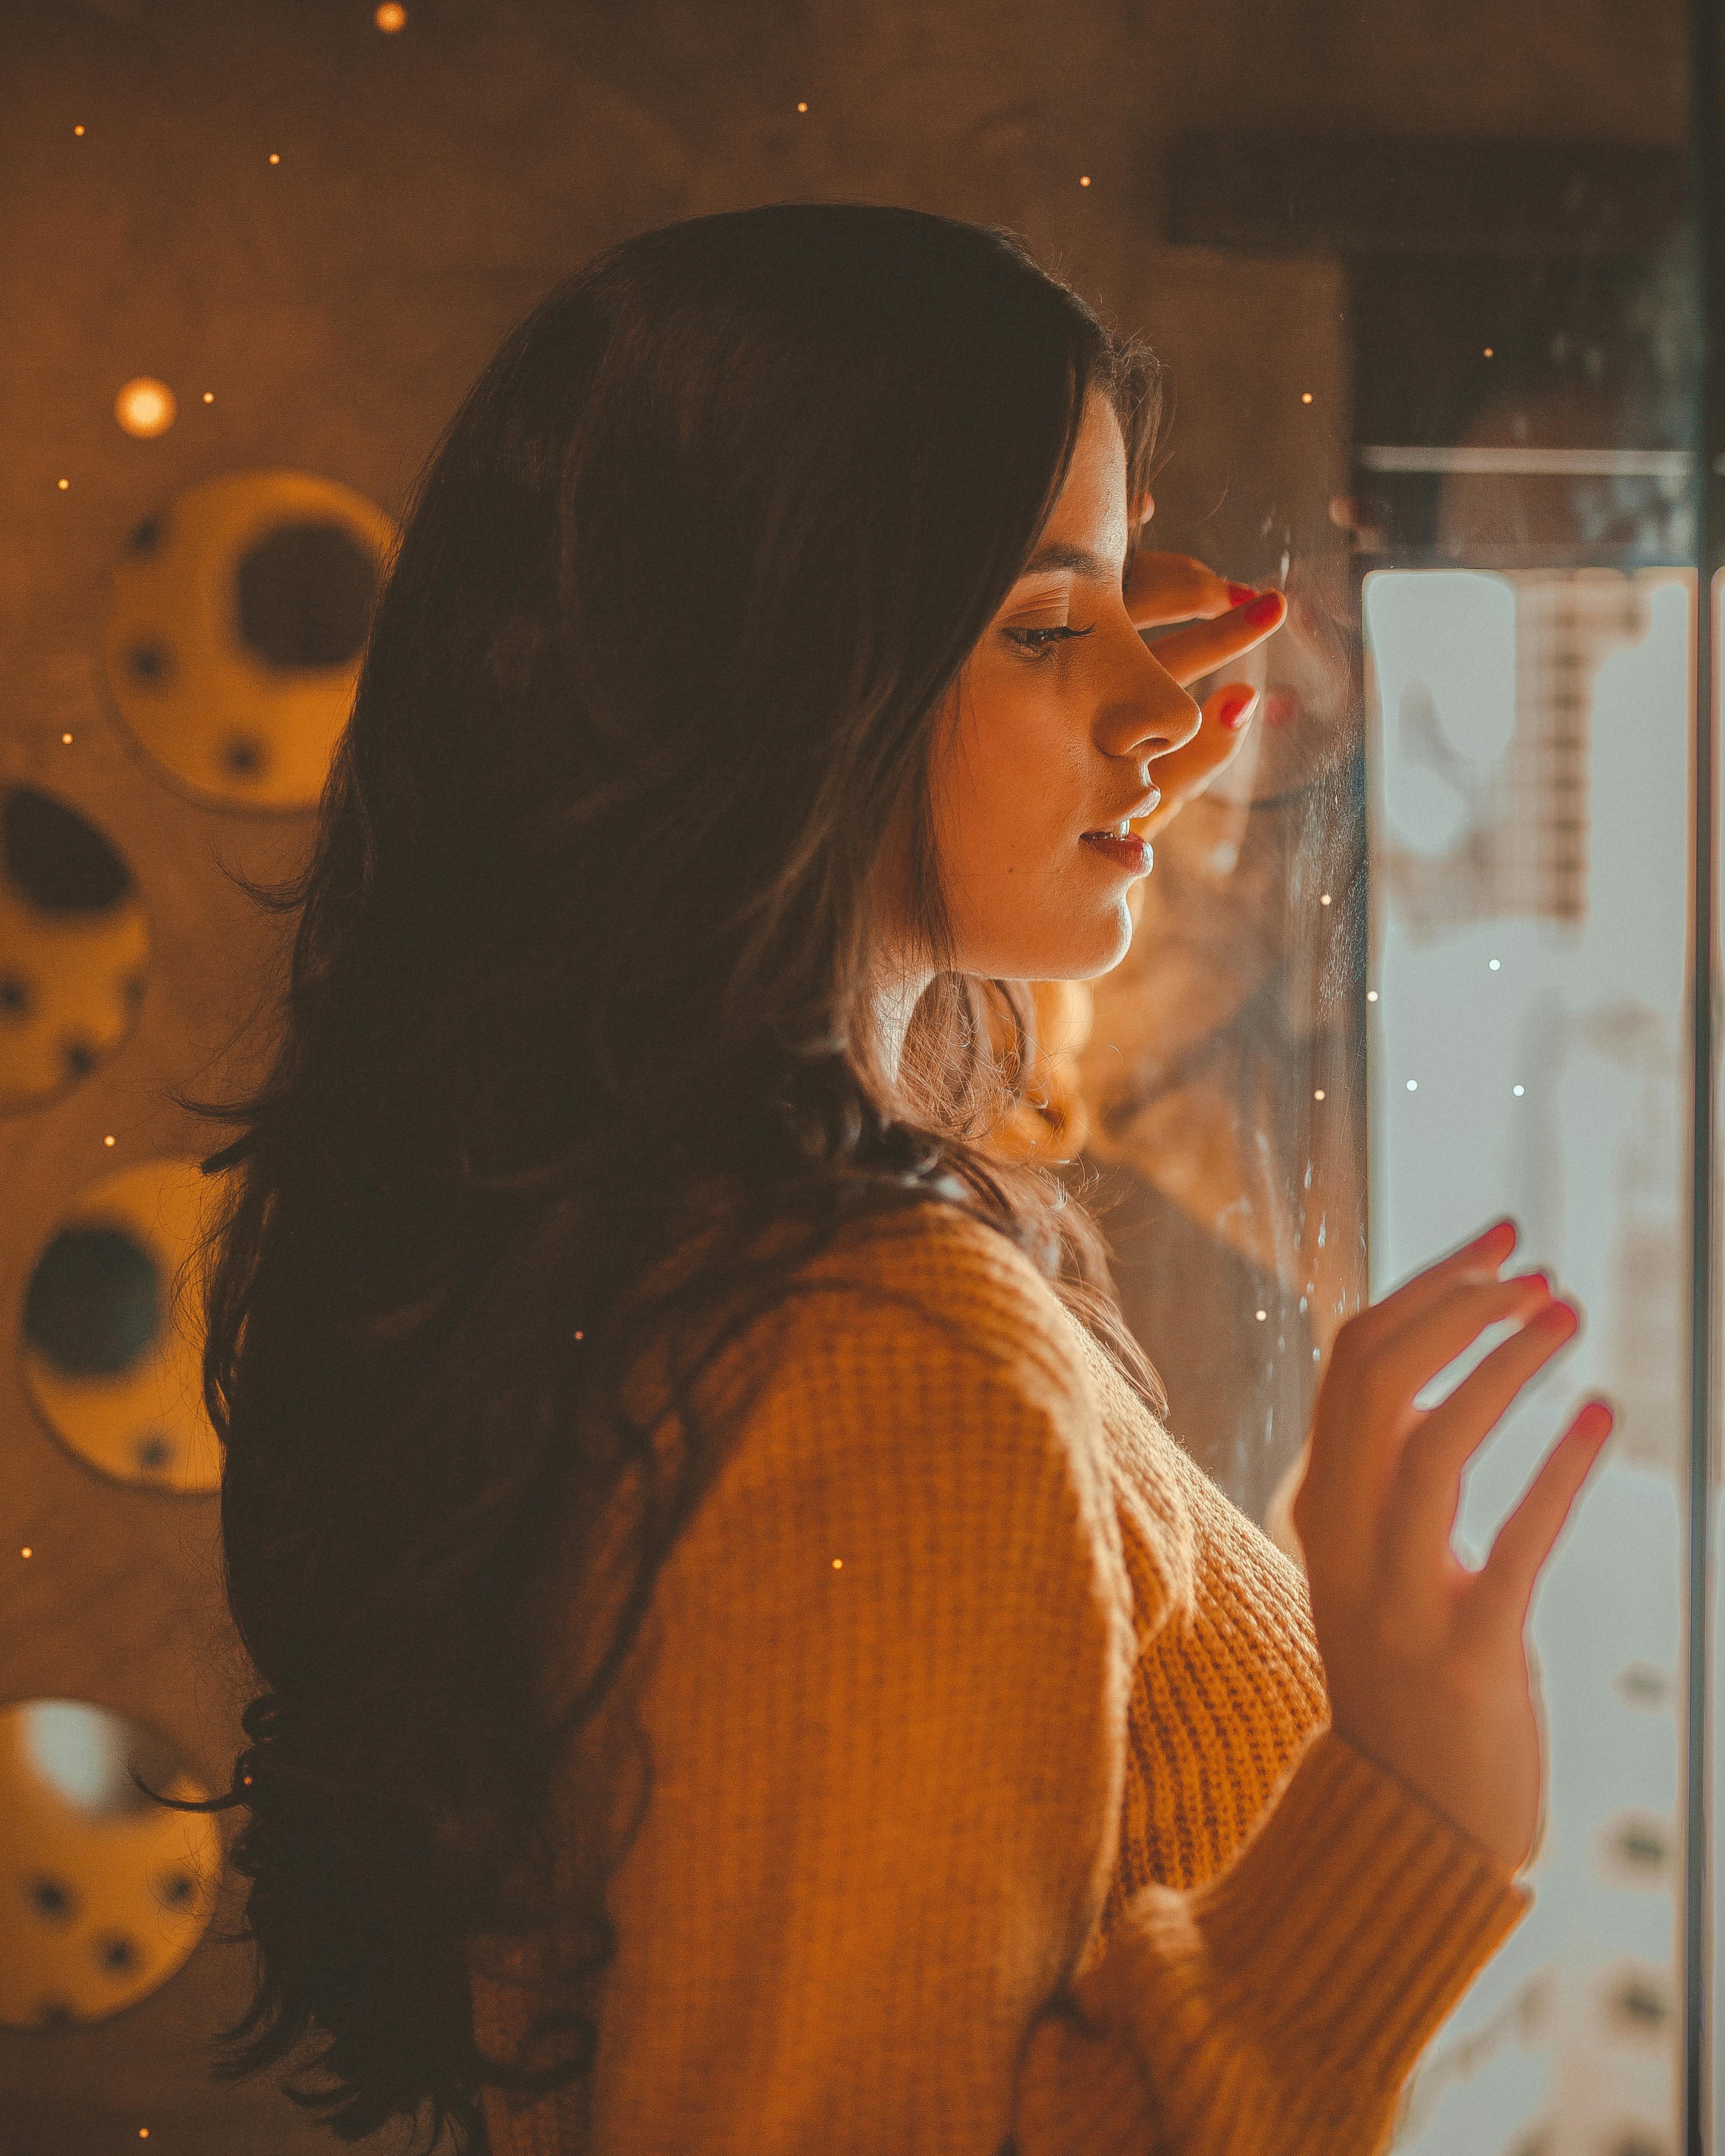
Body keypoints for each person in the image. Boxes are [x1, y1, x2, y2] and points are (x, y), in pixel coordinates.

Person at [174, 202, 1613, 2156]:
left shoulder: (656, 1235)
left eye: (1119, 595)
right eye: (1039, 620)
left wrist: (1049, 712)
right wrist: (1406, 1814)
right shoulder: (879, 1373)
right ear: (778, 682)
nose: (1166, 704)